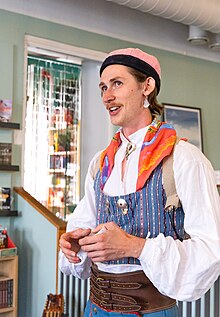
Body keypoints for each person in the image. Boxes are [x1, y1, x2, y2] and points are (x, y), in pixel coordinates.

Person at [59, 48, 220, 317]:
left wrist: (136, 246)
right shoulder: (100, 163)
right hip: (94, 309)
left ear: (147, 86)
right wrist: (77, 244)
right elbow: (84, 222)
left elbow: (211, 247)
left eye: (117, 83)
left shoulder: (184, 159)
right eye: (103, 87)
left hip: (151, 311)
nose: (106, 96)